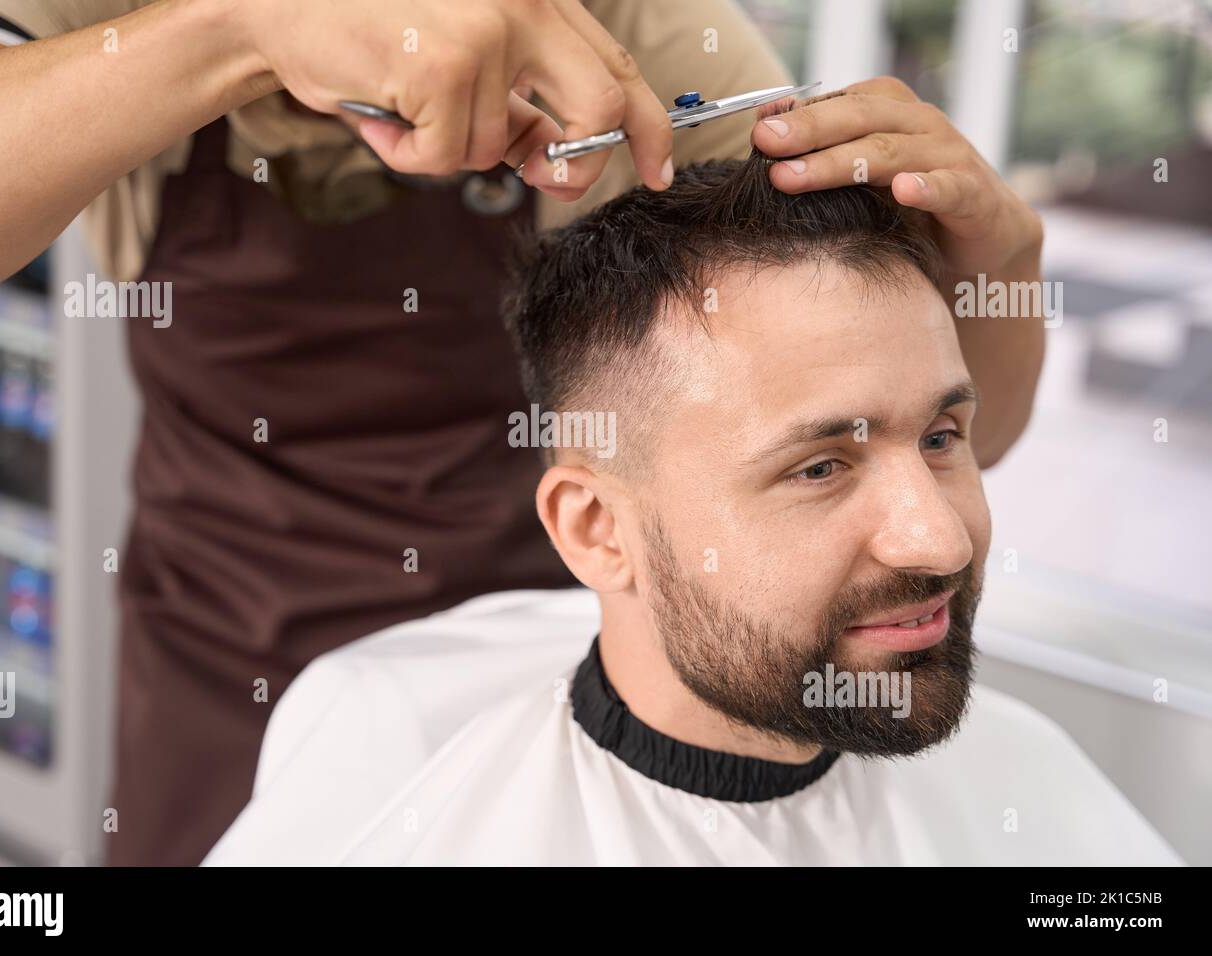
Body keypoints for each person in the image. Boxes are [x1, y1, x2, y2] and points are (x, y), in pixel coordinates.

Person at [0, 0, 1045, 865]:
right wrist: (240, 29)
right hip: (227, 658)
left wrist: (999, 261)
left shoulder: (635, 33)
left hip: (572, 665)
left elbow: (946, 433)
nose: (930, 536)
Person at [207, 155, 1179, 865]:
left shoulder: (1027, 777)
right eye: (817, 467)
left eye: (938, 437)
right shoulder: (397, 768)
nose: (940, 537)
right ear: (597, 528)